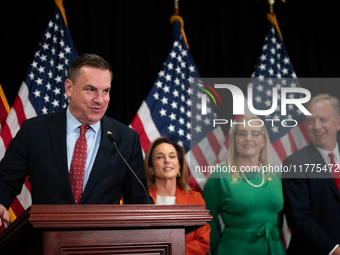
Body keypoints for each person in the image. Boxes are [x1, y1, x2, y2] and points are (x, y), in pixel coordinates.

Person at [0, 53, 152, 227]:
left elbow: (139, 198)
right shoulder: (35, 131)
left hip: (103, 244)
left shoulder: (125, 138)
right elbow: (6, 178)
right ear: (69, 88)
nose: (100, 100)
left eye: (106, 91)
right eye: (90, 89)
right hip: (47, 239)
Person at [202, 116, 286, 255]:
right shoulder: (220, 174)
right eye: (242, 133)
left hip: (273, 249)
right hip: (233, 250)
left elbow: (278, 220)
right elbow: (206, 216)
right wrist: (216, 248)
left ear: (264, 140)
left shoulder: (276, 175)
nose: (248, 138)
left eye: (255, 133)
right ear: (234, 140)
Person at [282, 94, 340, 255]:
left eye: (323, 119)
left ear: (338, 123)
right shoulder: (294, 163)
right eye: (310, 120)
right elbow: (299, 219)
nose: (316, 126)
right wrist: (335, 249)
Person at [144, 136, 210, 255]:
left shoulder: (195, 199)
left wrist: (170, 252)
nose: (167, 161)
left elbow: (202, 242)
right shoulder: (140, 200)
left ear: (179, 166)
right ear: (151, 168)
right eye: (160, 157)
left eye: (172, 156)